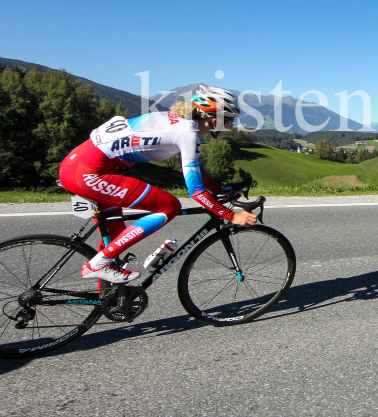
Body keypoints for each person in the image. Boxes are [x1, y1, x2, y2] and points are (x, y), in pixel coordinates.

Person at [58, 85, 255, 284]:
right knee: (169, 206)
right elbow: (196, 192)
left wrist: (221, 190)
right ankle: (97, 265)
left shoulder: (178, 122)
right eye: (230, 120)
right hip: (89, 173)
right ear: (215, 119)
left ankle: (107, 298)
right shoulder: (187, 132)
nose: (230, 126)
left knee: (115, 239)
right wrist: (232, 215)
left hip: (76, 164)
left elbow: (195, 168)